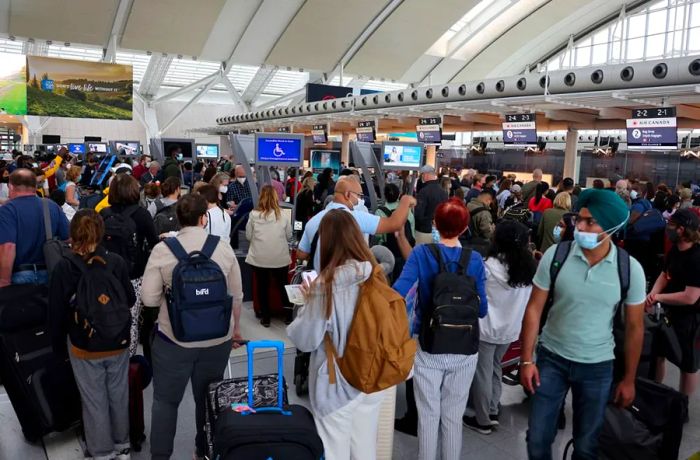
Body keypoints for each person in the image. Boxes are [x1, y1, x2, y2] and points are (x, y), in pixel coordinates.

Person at [520, 188, 646, 460]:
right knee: (537, 438)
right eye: (580, 219)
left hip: (598, 366)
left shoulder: (629, 269)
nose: (581, 226)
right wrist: (527, 360)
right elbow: (533, 308)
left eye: (591, 222)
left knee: (587, 444)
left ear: (611, 227)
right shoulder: (557, 255)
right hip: (551, 359)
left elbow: (635, 327)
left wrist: (629, 379)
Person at [141, 194, 243, 460]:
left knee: (165, 402)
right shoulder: (222, 248)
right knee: (208, 398)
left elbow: (149, 298)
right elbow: (236, 295)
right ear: (204, 217)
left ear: (179, 217)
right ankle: (204, 450)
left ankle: (161, 456)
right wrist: (235, 330)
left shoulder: (163, 250)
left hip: (173, 339)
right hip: (217, 340)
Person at [287, 209, 389, 460]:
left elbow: (305, 340)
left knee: (334, 451)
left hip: (337, 383)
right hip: (373, 376)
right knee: (364, 447)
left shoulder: (326, 287)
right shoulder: (375, 276)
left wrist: (310, 302)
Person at [393, 198, 487, 460]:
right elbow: (481, 310)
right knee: (453, 416)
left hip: (429, 346)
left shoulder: (422, 254)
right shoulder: (475, 259)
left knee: (428, 414)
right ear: (465, 227)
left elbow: (398, 293)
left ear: (435, 224)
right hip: (466, 349)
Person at [48, 209, 135, 460]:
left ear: (73, 233)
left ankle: (101, 451)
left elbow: (56, 312)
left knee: (94, 399)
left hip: (83, 345)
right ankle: (123, 446)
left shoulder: (65, 267)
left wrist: (57, 348)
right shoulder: (115, 261)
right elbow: (129, 298)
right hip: (117, 340)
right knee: (118, 394)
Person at [464, 221, 536, 434]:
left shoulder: (486, 266)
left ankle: (483, 419)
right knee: (496, 368)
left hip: (486, 329)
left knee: (483, 374)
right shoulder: (528, 269)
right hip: (509, 331)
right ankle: (493, 408)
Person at [297, 176, 416, 270]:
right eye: (358, 195)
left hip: (319, 286)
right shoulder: (354, 218)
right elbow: (394, 224)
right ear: (348, 195)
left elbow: (301, 254)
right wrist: (405, 201)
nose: (359, 199)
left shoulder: (313, 221)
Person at [100, 174, 159, 361]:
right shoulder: (141, 215)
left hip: (107, 274)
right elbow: (154, 243)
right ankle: (128, 359)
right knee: (132, 320)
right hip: (134, 276)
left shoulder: (104, 214)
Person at [647, 209, 700, 405]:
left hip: (691, 318)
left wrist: (659, 297)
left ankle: (681, 405)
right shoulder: (675, 250)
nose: (667, 228)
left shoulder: (696, 257)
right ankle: (654, 394)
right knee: (659, 354)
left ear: (682, 229)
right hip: (670, 313)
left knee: (688, 364)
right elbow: (664, 274)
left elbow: (690, 297)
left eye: (671, 225)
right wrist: (652, 295)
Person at [0, 169, 69, 286]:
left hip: (19, 276)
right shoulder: (51, 205)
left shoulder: (7, 210)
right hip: (50, 273)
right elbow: (68, 238)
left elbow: (8, 247)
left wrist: (4, 280)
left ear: (10, 186)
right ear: (36, 186)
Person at [245, 185, 292, 327]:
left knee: (262, 287)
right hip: (280, 258)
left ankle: (266, 318)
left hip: (259, 258)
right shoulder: (283, 215)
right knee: (283, 286)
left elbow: (248, 236)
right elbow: (289, 236)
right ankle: (288, 315)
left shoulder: (253, 214)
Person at [414, 165, 448, 245]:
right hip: (439, 230)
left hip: (424, 231)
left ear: (425, 175)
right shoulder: (443, 191)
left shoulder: (424, 191)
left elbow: (419, 214)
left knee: (422, 256)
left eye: (422, 175)